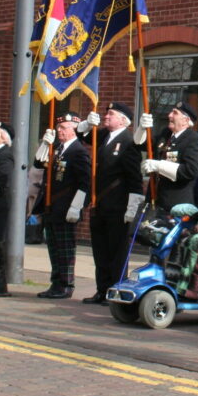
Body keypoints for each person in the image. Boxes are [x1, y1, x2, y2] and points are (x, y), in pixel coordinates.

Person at [78, 103, 143, 304]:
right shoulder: (105, 136)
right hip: (99, 205)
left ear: (123, 120)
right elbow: (82, 136)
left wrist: (132, 207)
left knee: (117, 252)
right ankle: (102, 289)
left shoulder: (129, 142)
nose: (106, 116)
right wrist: (86, 124)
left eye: (111, 114)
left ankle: (116, 289)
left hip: (118, 206)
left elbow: (134, 178)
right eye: (106, 113)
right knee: (100, 251)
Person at [35, 113, 91, 299]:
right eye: (58, 127)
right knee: (54, 248)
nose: (60, 131)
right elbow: (38, 163)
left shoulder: (78, 151)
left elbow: (85, 183)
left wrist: (76, 207)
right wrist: (45, 144)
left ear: (74, 130)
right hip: (52, 207)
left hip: (66, 208)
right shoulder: (57, 149)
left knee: (65, 249)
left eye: (64, 128)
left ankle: (66, 284)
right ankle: (56, 283)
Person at [138, 103, 198, 211]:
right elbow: (141, 145)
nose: (169, 115)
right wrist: (142, 129)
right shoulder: (166, 134)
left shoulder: (193, 139)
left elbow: (191, 170)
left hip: (176, 205)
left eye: (175, 113)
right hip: (155, 200)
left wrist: (159, 166)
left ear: (185, 120)